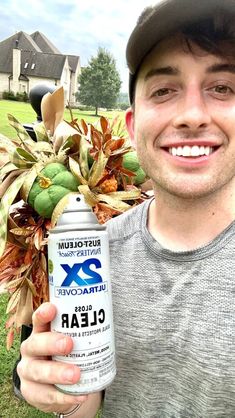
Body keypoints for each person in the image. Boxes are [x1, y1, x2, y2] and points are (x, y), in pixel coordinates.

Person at [17, 0, 235, 416]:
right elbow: (87, 404)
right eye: (164, 90)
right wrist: (60, 388)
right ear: (133, 127)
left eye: (222, 87)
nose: (192, 115)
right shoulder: (98, 253)